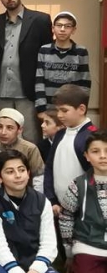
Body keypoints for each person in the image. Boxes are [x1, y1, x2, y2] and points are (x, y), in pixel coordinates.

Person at [0, 150, 73, 273]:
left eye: (21, 170)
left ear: (28, 172)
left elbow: (49, 244)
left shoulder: (42, 201)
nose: (18, 175)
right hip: (1, 261)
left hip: (33, 258)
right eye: (10, 172)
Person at [0, 0, 53, 144]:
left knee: (31, 139)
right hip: (1, 92)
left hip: (28, 93)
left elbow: (47, 57)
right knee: (3, 139)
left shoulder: (40, 20)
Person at [59, 130, 107, 273]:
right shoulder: (78, 184)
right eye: (96, 151)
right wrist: (69, 252)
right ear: (86, 156)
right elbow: (66, 216)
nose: (103, 156)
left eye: (106, 151)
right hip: (88, 244)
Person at [44, 84, 97, 214]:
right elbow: (49, 167)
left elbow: (96, 176)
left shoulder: (92, 138)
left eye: (64, 110)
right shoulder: (60, 134)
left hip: (84, 211)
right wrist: (52, 200)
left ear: (81, 109)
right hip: (58, 208)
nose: (59, 115)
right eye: (58, 110)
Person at [35, 11, 91, 113]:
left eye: (67, 26)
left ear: (73, 30)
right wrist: (41, 107)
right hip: (48, 108)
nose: (62, 29)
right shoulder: (44, 50)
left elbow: (85, 82)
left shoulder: (81, 51)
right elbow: (39, 80)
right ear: (53, 28)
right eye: (59, 25)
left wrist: (81, 108)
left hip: (71, 109)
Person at [0, 108, 45, 188]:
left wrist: (36, 195)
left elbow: (39, 176)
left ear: (19, 130)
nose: (3, 132)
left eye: (9, 128)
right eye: (0, 127)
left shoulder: (29, 149)